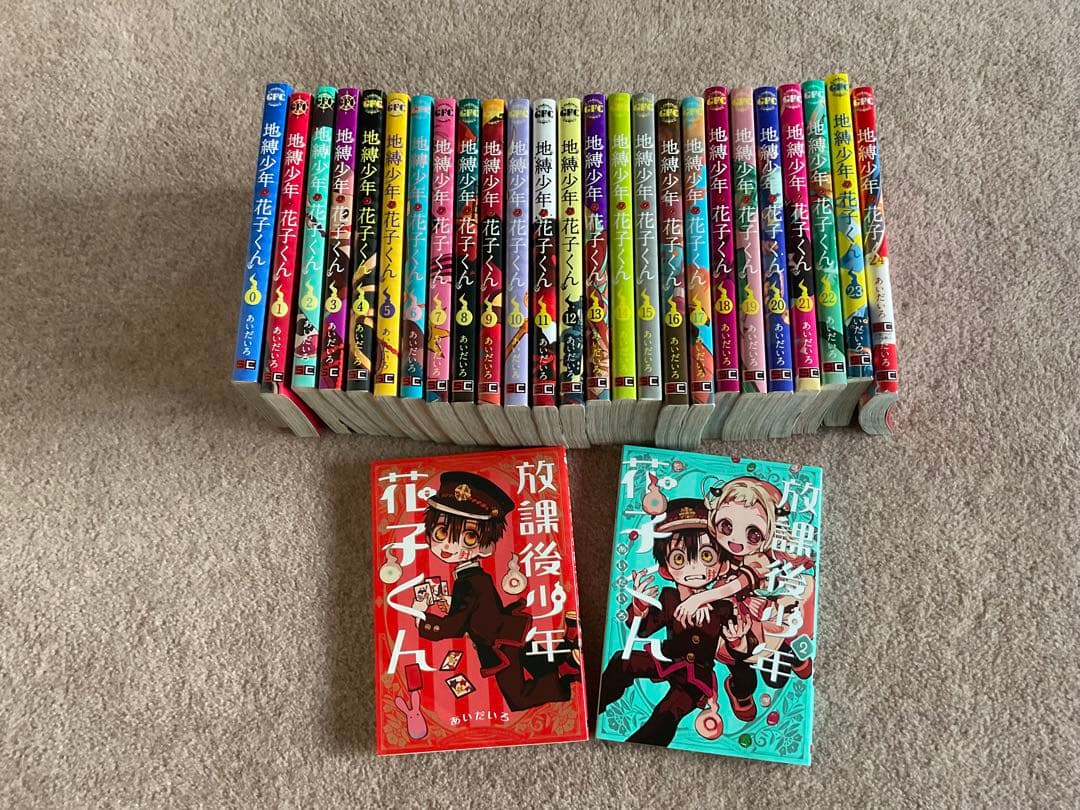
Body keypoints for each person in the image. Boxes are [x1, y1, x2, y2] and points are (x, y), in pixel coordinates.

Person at [412, 471, 579, 711]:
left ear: (486, 547)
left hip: (500, 644)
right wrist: (453, 602)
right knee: (542, 665)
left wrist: (420, 617)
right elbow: (475, 607)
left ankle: (566, 668)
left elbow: (453, 627)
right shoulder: (473, 577)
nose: (449, 544)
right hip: (507, 630)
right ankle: (569, 647)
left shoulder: (469, 582)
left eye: (468, 537)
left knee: (518, 698)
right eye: (441, 532)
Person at [597, 498, 751, 746]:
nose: (695, 567)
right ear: (666, 570)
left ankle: (642, 742)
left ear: (722, 564)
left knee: (669, 712)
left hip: (696, 677)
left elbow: (738, 649)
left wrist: (736, 640)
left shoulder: (721, 607)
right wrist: (640, 607)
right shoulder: (669, 598)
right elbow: (644, 630)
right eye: (680, 559)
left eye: (707, 555)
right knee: (622, 661)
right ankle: (591, 706)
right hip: (666, 660)